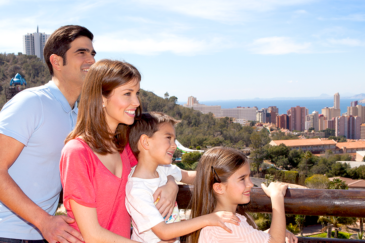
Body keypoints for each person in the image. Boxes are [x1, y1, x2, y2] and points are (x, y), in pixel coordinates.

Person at [60, 60, 183, 242]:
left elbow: (160, 169)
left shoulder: (123, 146)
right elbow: (92, 235)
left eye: (137, 93)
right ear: (101, 98)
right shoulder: (77, 152)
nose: (136, 102)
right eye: (127, 94)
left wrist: (171, 184)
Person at [0, 25, 96, 243]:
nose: (91, 60)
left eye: (92, 53)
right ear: (57, 61)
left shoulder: (79, 115)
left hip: (41, 235)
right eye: (81, 52)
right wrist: (44, 221)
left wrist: (168, 181)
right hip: (7, 234)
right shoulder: (32, 102)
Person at [125, 112, 241, 243]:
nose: (174, 145)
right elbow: (164, 232)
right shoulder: (137, 190)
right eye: (168, 138)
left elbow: (190, 176)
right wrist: (210, 218)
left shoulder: (163, 169)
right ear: (146, 142)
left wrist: (226, 175)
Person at [187, 147, 298, 243]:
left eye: (249, 177)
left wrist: (273, 232)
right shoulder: (229, 224)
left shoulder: (217, 223)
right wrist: (277, 196)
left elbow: (239, 238)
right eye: (242, 179)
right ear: (219, 188)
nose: (250, 184)